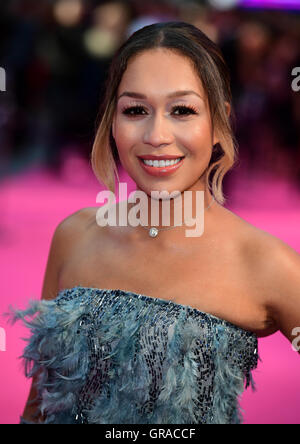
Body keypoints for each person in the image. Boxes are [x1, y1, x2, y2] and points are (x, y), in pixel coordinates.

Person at [9, 22, 300, 424]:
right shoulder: (74, 236)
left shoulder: (266, 262)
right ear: (113, 122)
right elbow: (39, 407)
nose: (156, 135)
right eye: (135, 110)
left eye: (182, 110)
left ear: (219, 123)